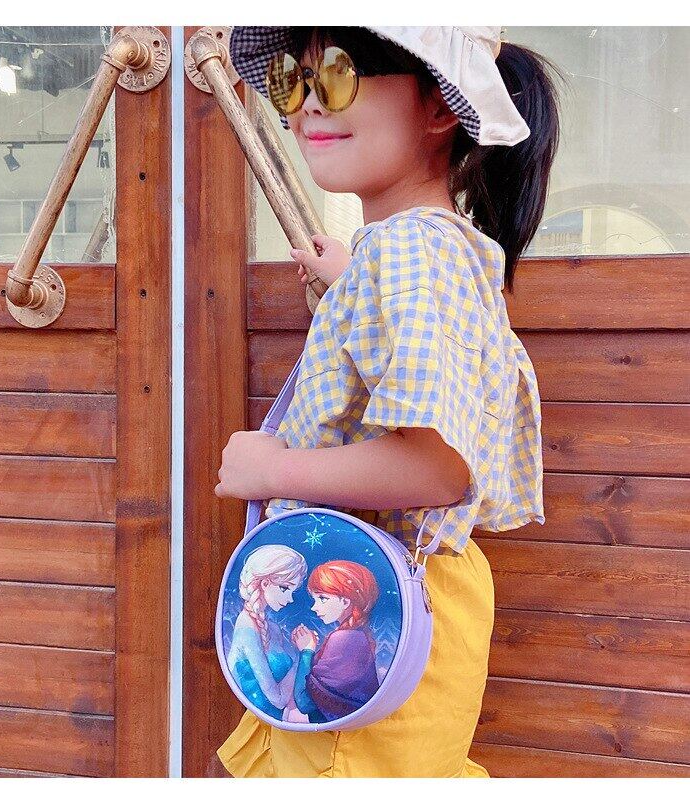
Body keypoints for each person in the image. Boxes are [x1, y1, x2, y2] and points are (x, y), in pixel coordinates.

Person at [214, 25, 561, 777]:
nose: (307, 104)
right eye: (293, 79)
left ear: (438, 106)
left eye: (337, 74)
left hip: (374, 613)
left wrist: (273, 470)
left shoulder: (409, 253)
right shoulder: (418, 250)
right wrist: (353, 281)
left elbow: (436, 469)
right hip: (392, 602)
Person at [288, 560, 380, 724]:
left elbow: (305, 702)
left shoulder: (344, 639)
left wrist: (307, 651)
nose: (314, 607)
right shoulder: (357, 635)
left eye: (322, 598)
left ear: (345, 602)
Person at [225, 545, 308, 721]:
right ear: (265, 583)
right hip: (263, 726)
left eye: (293, 591)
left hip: (282, 724)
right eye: (285, 588)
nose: (290, 599)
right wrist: (304, 654)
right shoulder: (246, 629)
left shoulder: (273, 629)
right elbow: (278, 699)